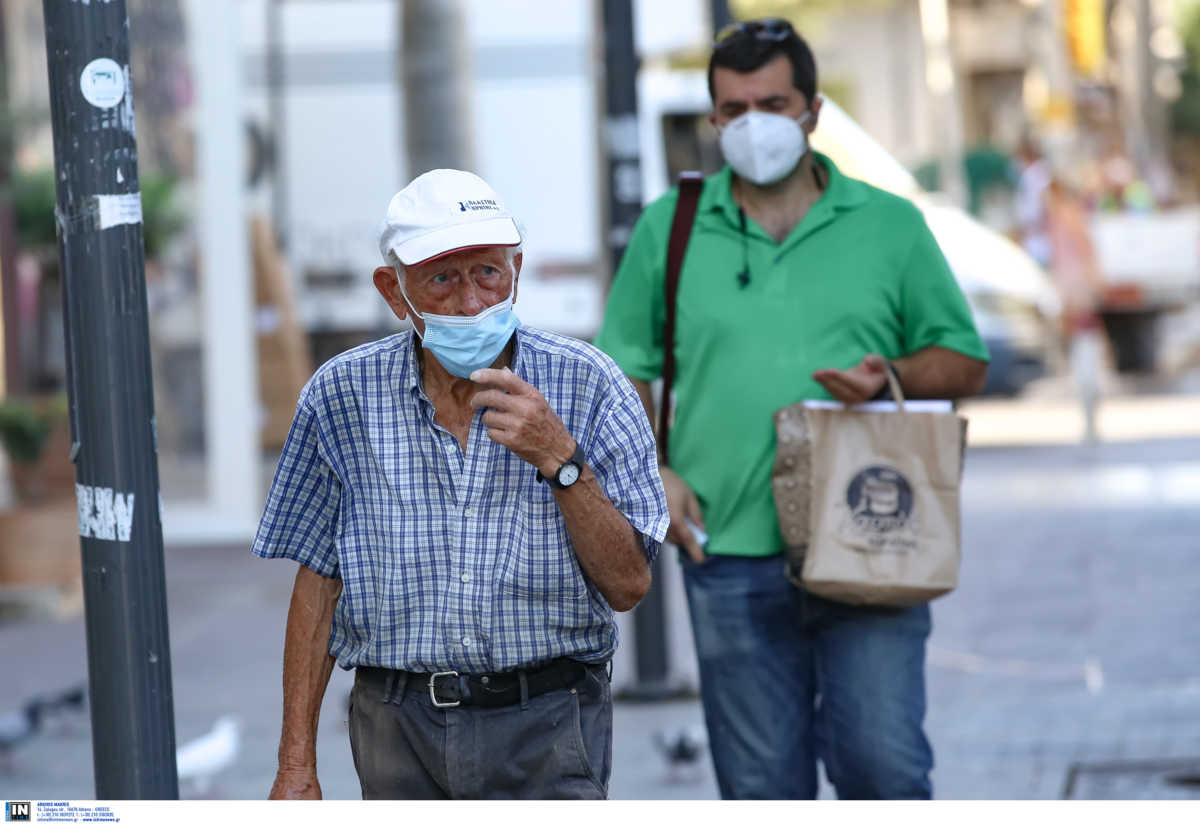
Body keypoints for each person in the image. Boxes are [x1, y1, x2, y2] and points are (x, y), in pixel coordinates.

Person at [594, 18, 989, 800]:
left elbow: (964, 360)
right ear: (713, 121)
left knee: (886, 770)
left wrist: (892, 375)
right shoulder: (668, 229)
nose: (752, 126)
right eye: (733, 110)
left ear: (811, 112)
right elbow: (617, 374)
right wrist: (654, 471)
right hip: (726, 550)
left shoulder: (889, 224)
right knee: (762, 789)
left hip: (874, 539)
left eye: (771, 104)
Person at [253, 168, 668, 800]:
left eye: (488, 274)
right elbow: (318, 583)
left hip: (549, 721)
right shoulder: (341, 397)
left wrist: (561, 460)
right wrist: (295, 766)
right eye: (444, 279)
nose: (472, 303)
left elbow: (629, 585)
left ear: (517, 271)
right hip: (396, 725)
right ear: (395, 293)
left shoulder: (590, 385)